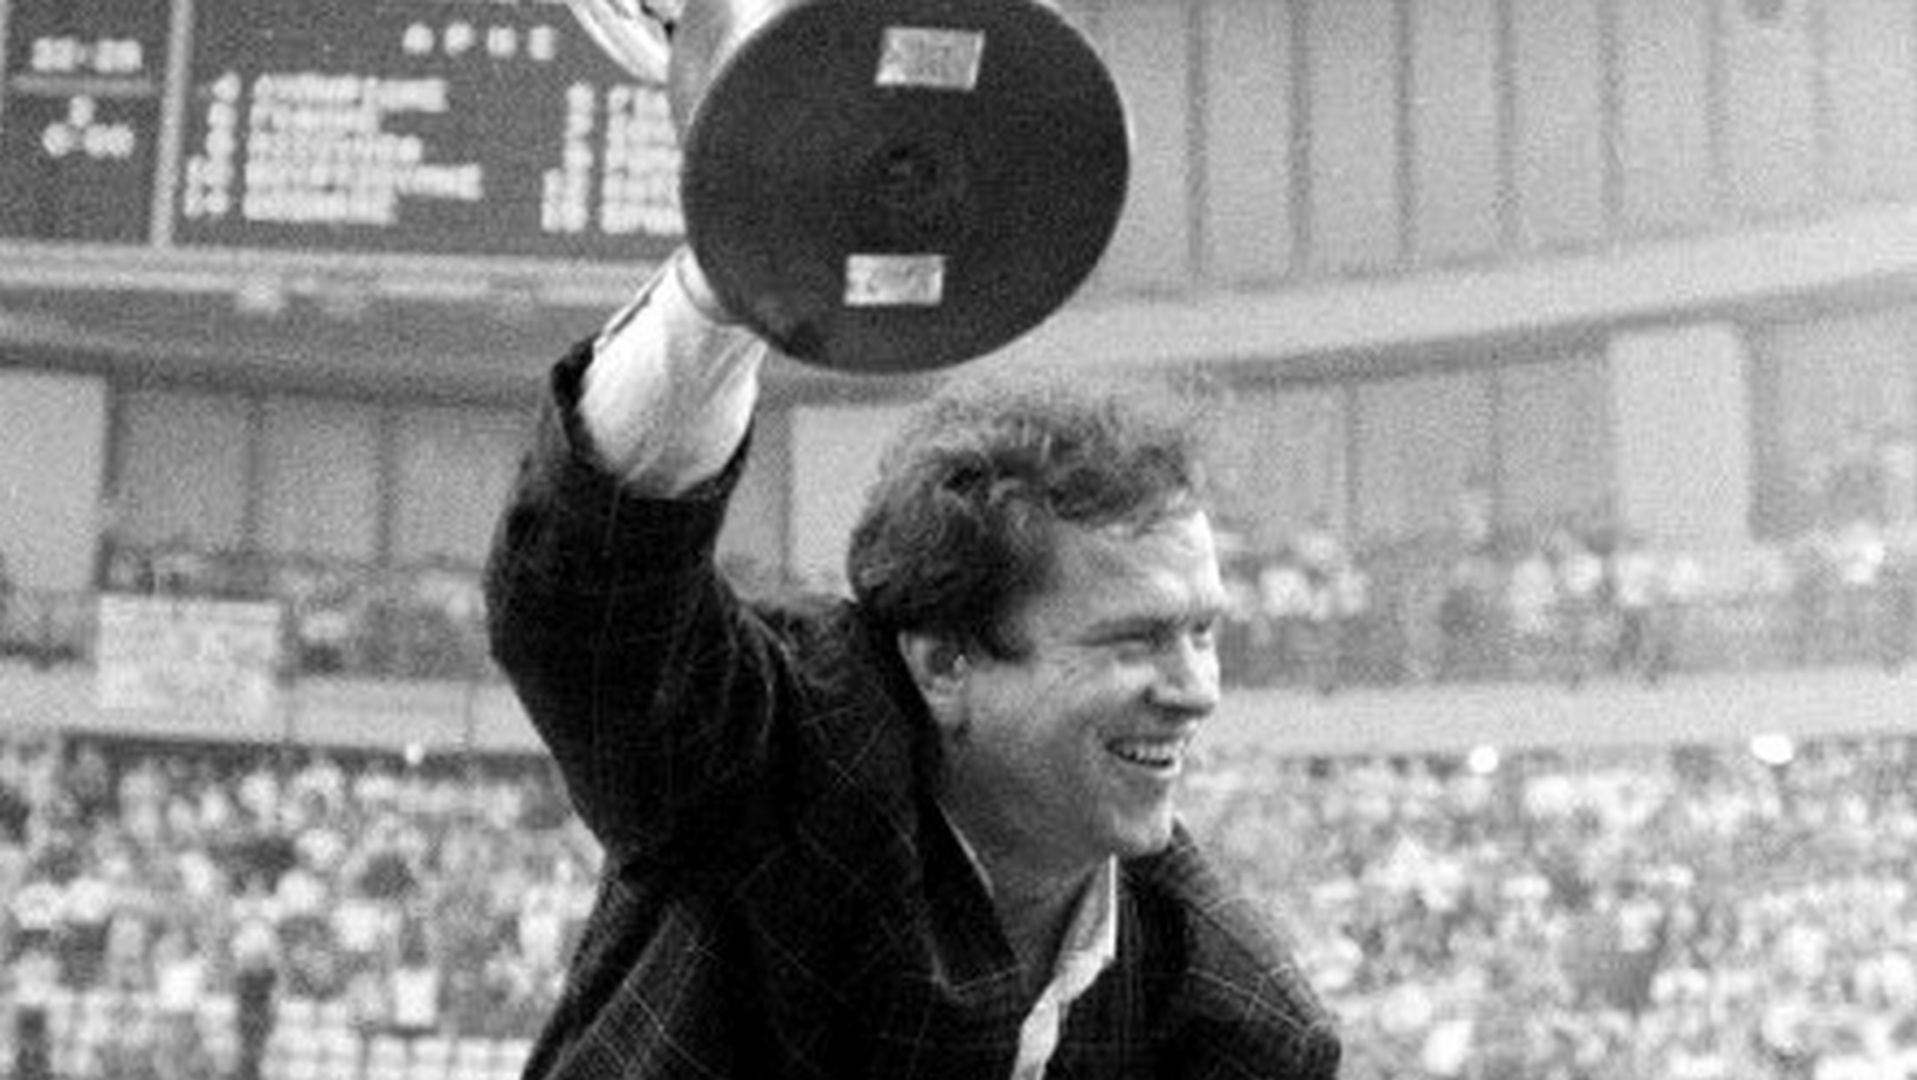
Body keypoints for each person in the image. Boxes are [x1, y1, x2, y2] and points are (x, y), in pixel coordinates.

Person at [484, 247, 1342, 1079]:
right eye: (1134, 641)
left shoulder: (1240, 1025)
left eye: (1203, 633)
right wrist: (722, 288)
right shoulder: (777, 755)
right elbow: (589, 610)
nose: (1195, 691)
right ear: (942, 664)